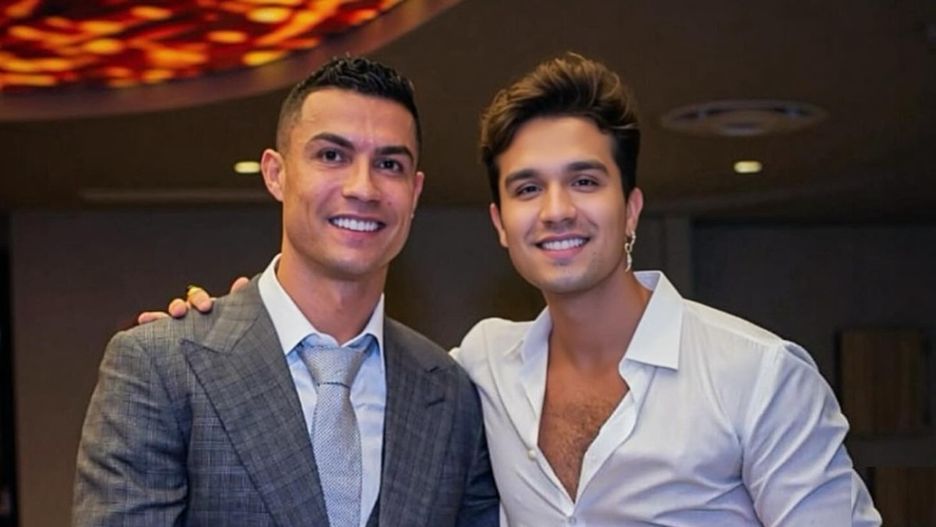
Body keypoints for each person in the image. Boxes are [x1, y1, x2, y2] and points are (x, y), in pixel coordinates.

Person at [148, 54, 882, 526]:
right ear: (501, 222)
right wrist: (234, 329)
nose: (556, 211)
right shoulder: (478, 371)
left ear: (630, 208)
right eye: (528, 188)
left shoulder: (757, 375)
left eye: (584, 181)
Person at [73, 56, 499, 527]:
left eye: (389, 164)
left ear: (414, 193)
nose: (364, 187)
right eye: (332, 156)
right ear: (276, 173)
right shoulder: (162, 364)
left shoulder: (452, 394)